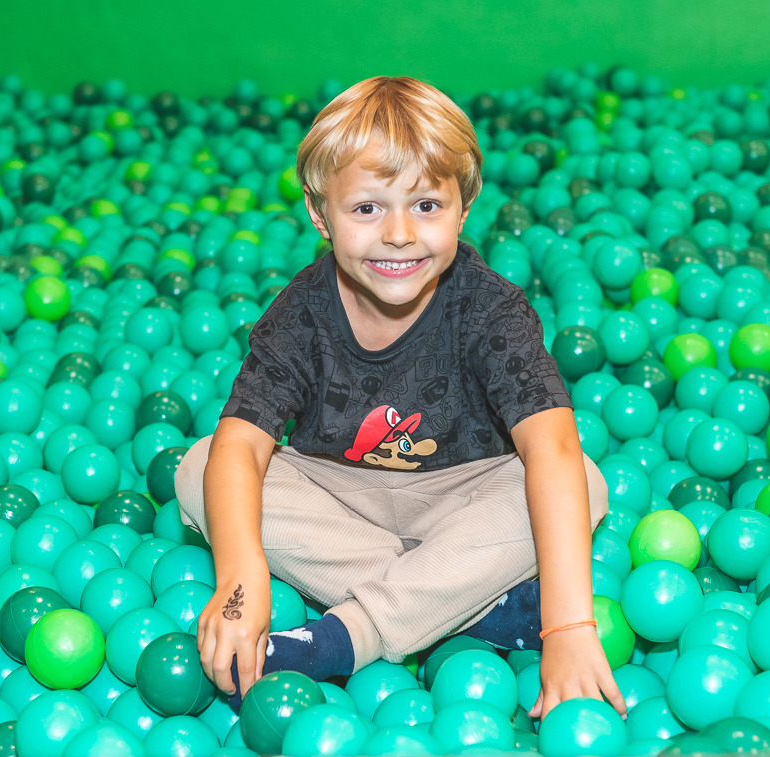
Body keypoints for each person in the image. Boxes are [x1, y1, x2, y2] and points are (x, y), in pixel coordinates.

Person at [175, 75, 624, 720]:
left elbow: (550, 444)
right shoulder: (300, 314)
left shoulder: (489, 309)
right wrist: (240, 578)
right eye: (366, 208)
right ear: (318, 213)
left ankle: (346, 637)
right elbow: (243, 444)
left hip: (466, 494)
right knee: (201, 467)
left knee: (581, 479)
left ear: (463, 208)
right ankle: (468, 608)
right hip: (340, 495)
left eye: (425, 206)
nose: (398, 234)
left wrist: (569, 628)